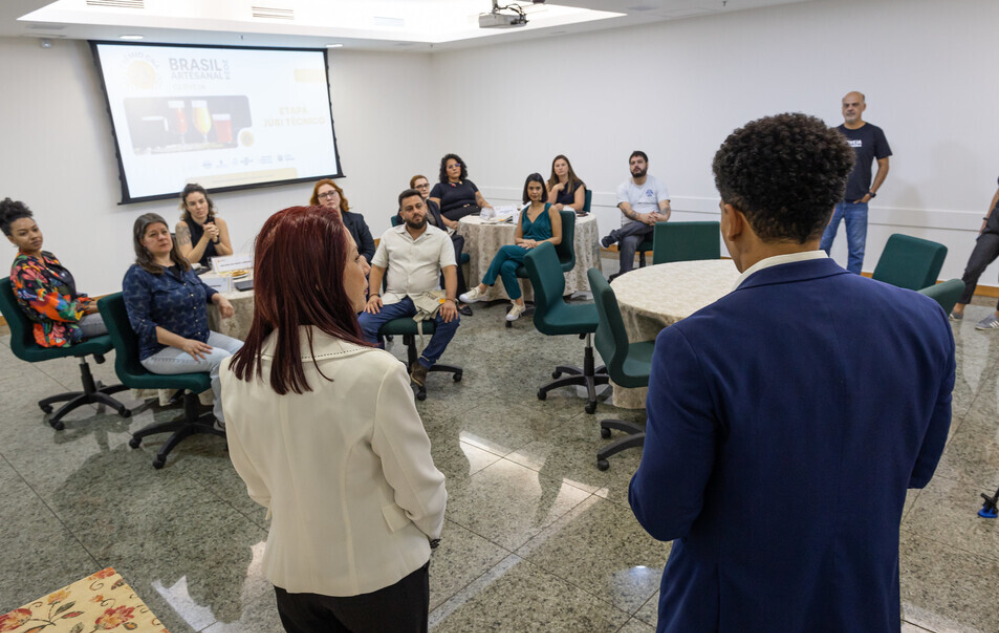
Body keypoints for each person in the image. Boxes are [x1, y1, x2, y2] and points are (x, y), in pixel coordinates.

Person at [629, 113, 954, 633]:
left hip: (731, 610)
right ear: (829, 211)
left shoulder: (693, 346)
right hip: (862, 602)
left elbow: (663, 514)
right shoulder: (924, 319)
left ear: (731, 219)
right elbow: (917, 468)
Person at [220, 206, 446, 633]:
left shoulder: (235, 370)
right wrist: (428, 533)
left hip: (292, 572)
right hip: (379, 573)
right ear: (321, 276)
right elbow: (419, 488)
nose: (365, 267)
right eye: (354, 257)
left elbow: (257, 484)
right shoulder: (375, 372)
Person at [123, 213, 243, 428]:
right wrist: (183, 344)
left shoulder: (182, 264)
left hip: (198, 336)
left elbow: (201, 287)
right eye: (153, 234)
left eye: (163, 232)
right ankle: (225, 422)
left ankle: (242, 411)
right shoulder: (137, 275)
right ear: (142, 242)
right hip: (160, 350)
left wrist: (218, 298)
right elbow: (141, 325)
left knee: (243, 351)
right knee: (221, 359)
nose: (162, 237)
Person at [358, 189, 460, 387]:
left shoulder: (441, 237)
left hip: (430, 297)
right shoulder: (390, 235)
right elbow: (377, 268)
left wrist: (449, 300)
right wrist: (373, 296)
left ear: (426, 208)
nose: (416, 211)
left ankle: (424, 363)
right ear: (402, 214)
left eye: (419, 206)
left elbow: (450, 272)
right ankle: (383, 368)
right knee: (363, 323)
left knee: (452, 318)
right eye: (409, 209)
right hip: (394, 298)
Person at [2, 198, 106, 346]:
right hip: (61, 328)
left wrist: (98, 304)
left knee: (131, 312)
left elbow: (70, 295)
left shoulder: (47, 257)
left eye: (35, 229)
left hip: (75, 316)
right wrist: (101, 307)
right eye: (23, 233)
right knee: (125, 318)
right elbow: (58, 310)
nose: (33, 235)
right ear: (12, 239)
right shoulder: (25, 270)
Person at [459, 173, 563, 322]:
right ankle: (519, 304)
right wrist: (526, 242)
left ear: (543, 190)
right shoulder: (524, 212)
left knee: (504, 250)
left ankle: (482, 288)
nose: (534, 191)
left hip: (543, 252)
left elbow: (558, 239)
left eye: (538, 188)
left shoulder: (551, 209)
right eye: (531, 188)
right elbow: (517, 238)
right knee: (506, 266)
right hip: (526, 250)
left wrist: (535, 243)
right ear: (526, 191)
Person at [819, 91, 892, 274]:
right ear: (842, 108)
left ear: (863, 107)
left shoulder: (874, 133)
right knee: (821, 247)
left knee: (857, 252)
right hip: (834, 203)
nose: (850, 108)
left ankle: (853, 289)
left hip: (858, 203)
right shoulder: (834, 134)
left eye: (854, 105)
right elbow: (824, 165)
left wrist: (871, 192)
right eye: (846, 105)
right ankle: (821, 281)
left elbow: (884, 165)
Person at [600, 151, 671, 276]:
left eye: (639, 162)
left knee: (649, 223)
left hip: (654, 229)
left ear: (647, 164)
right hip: (631, 229)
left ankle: (614, 236)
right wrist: (643, 217)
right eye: (632, 163)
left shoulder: (657, 184)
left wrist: (662, 217)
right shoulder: (623, 187)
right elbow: (627, 211)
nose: (636, 165)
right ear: (630, 167)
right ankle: (624, 275)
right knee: (628, 241)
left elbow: (666, 209)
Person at [411, 174, 472, 316]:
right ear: (413, 189)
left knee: (459, 238)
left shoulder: (432, 204)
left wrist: (444, 232)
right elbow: (410, 232)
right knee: (452, 259)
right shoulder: (411, 207)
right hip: (425, 244)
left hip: (441, 241)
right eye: (419, 186)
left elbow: (439, 224)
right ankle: (460, 300)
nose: (424, 188)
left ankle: (451, 262)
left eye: (426, 185)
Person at [949, 178, 999, 328]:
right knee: (973, 266)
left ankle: (997, 316)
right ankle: (958, 309)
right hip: (995, 226)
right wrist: (987, 218)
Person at [310, 178, 376, 266]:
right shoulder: (316, 226)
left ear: (339, 195)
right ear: (317, 201)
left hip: (359, 270)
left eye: (331, 193)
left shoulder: (357, 219)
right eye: (323, 195)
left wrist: (360, 260)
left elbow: (370, 249)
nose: (329, 198)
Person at [175, 183, 233, 268]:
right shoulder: (182, 226)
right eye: (192, 204)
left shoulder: (219, 222)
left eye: (201, 201)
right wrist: (205, 237)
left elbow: (229, 256)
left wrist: (215, 239)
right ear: (186, 207)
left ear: (207, 202)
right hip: (197, 274)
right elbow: (188, 261)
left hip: (219, 271)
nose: (198, 207)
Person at [428, 153, 492, 222]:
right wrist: (450, 224)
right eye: (450, 167)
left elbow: (481, 201)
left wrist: (489, 208)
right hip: (454, 223)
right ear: (445, 172)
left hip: (476, 219)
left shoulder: (469, 183)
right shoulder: (439, 187)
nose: (454, 168)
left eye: (457, 165)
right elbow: (434, 212)